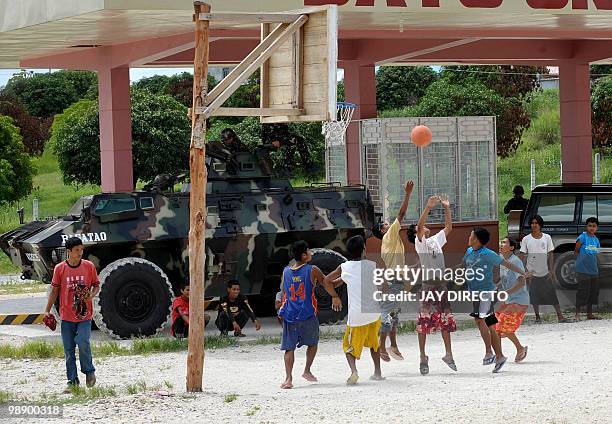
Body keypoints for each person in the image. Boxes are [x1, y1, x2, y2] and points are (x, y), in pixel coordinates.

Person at [462, 227, 528, 373]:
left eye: (471, 235)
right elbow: (463, 267)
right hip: (475, 294)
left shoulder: (488, 254)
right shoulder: (469, 252)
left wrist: (522, 272)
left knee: (482, 320)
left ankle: (489, 353)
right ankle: (499, 356)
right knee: (488, 323)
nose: (469, 237)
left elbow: (507, 264)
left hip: (486, 293)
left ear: (477, 239)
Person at [407, 194, 457, 375]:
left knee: (445, 320)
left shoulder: (435, 240)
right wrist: (427, 208)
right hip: (428, 287)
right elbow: (420, 226)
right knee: (423, 322)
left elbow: (449, 227)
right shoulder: (419, 243)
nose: (423, 227)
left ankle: (448, 354)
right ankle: (422, 356)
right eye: (418, 228)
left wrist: (446, 207)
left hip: (441, 286)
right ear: (415, 234)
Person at [323, 235, 383, 385]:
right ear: (364, 249)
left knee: (348, 346)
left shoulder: (345, 267)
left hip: (357, 316)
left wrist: (335, 296)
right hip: (374, 313)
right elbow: (381, 286)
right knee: (375, 344)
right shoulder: (372, 265)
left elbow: (327, 281)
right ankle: (377, 372)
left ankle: (354, 371)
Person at [43, 236, 99, 391]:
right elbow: (54, 290)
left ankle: (89, 372)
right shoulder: (60, 268)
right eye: (77, 250)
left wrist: (92, 295)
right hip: (66, 316)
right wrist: (47, 310)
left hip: (84, 315)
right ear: (69, 252)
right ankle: (72, 382)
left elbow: (96, 285)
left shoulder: (89, 266)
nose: (80, 252)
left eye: (82, 249)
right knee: (68, 350)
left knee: (83, 341)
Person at [278, 240, 332, 389]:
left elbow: (283, 293)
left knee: (289, 348)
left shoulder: (286, 271)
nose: (311, 253)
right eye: (308, 251)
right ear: (303, 255)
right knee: (313, 343)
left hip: (289, 314)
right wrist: (335, 295)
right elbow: (325, 282)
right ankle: (307, 370)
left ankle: (288, 379)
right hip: (307, 313)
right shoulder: (312, 269)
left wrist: (279, 309)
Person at [371, 180, 414, 362]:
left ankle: (393, 345)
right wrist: (407, 194)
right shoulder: (389, 236)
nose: (389, 224)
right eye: (386, 224)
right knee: (386, 314)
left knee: (394, 315)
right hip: (394, 282)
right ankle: (381, 348)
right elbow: (402, 214)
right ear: (382, 230)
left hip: (397, 281)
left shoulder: (389, 242)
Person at [519, 215, 569, 323]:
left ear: (540, 225)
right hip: (532, 272)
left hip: (545, 271)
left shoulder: (547, 237)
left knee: (552, 294)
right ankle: (537, 317)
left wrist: (551, 270)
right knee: (534, 295)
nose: (534, 225)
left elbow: (550, 254)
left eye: (536, 223)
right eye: (532, 223)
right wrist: (524, 271)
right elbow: (522, 255)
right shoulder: (526, 239)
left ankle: (560, 316)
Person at [495, 237, 530, 363]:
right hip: (509, 300)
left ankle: (520, 348)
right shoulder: (502, 261)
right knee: (494, 325)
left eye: (504, 242)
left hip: (519, 300)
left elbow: (521, 282)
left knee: (503, 327)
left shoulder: (515, 261)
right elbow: (503, 280)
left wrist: (507, 292)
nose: (501, 244)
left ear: (511, 247)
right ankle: (499, 355)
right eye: (501, 242)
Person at [575, 217, 601, 321]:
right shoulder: (582, 237)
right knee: (582, 291)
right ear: (586, 226)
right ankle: (577, 314)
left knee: (593, 292)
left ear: (596, 228)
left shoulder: (596, 240)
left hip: (593, 270)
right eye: (590, 225)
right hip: (582, 270)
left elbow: (596, 254)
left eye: (594, 226)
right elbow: (576, 250)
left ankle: (589, 313)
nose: (591, 228)